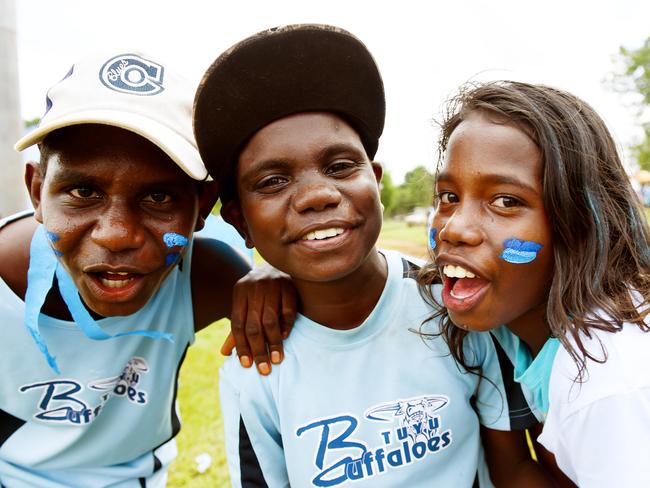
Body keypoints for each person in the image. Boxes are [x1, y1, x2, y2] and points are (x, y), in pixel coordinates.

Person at [193, 24, 552, 487]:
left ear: (376, 180)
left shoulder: (458, 310)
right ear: (241, 221)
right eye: (274, 181)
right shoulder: (256, 368)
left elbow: (514, 465)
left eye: (340, 166)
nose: (317, 195)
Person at [0, 50, 295, 487]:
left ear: (202, 206)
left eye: (159, 198)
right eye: (83, 190)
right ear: (38, 190)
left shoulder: (208, 279)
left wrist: (281, 277)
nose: (117, 235)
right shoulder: (5, 277)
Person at [423, 80, 650, 487]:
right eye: (449, 196)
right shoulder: (518, 323)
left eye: (506, 201)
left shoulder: (605, 383)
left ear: (578, 224)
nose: (453, 228)